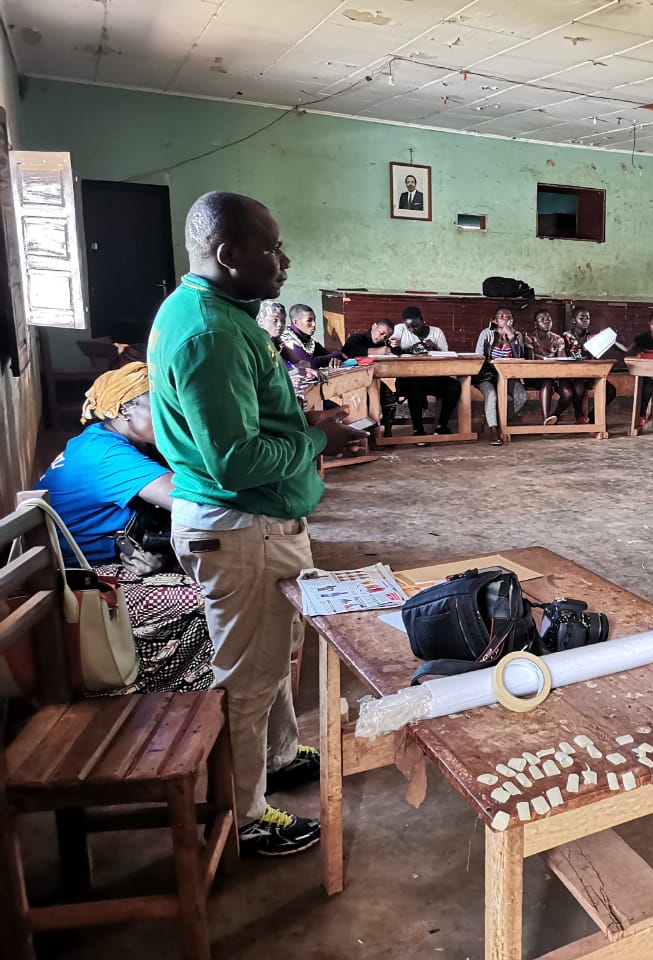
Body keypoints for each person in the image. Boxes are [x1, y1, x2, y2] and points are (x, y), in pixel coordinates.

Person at [148, 191, 364, 857]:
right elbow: (236, 459)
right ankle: (246, 814)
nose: (285, 259)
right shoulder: (210, 333)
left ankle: (280, 755)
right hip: (240, 524)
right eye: (272, 248)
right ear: (229, 254)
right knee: (245, 674)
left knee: (272, 655)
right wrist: (315, 436)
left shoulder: (215, 312)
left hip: (254, 522)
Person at [36, 364, 213, 694]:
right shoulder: (108, 455)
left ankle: (175, 682)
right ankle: (159, 693)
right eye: (160, 407)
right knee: (215, 597)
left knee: (209, 582)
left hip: (86, 573)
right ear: (124, 409)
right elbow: (195, 503)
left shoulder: (96, 440)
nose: (171, 417)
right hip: (80, 589)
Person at [389, 307, 462, 438]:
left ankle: (442, 426)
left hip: (434, 378)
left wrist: (434, 347)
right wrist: (394, 345)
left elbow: (447, 357)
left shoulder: (436, 332)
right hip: (409, 378)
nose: (412, 329)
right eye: (409, 327)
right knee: (414, 386)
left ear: (423, 321)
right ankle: (418, 429)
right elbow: (392, 349)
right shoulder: (400, 329)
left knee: (454, 387)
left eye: (416, 326)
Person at [475, 307, 529, 445]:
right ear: (494, 320)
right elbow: (478, 357)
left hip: (508, 375)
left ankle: (497, 422)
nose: (504, 318)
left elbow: (520, 357)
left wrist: (511, 337)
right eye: (501, 316)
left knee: (521, 396)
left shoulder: (517, 335)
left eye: (508, 316)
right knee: (492, 394)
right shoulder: (486, 334)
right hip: (487, 375)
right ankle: (494, 431)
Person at [557, 306, 617, 423]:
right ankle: (579, 414)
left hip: (590, 373)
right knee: (579, 388)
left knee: (611, 391)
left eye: (588, 318)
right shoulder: (565, 337)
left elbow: (595, 357)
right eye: (582, 318)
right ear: (574, 320)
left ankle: (592, 417)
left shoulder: (592, 337)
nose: (586, 320)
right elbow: (563, 359)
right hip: (573, 375)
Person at [343, 319, 399, 431]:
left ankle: (387, 431)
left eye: (386, 336)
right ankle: (364, 432)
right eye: (381, 333)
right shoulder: (357, 338)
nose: (382, 337)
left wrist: (394, 346)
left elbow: (398, 355)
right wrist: (378, 351)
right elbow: (352, 350)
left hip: (376, 381)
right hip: (354, 383)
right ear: (374, 326)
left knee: (389, 394)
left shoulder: (384, 343)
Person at [526, 308, 566, 426]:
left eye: (549, 319)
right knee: (547, 382)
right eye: (542, 319)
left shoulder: (558, 339)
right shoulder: (530, 338)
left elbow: (563, 362)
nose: (546, 321)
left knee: (568, 393)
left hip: (556, 376)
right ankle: (546, 420)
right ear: (535, 323)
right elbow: (530, 362)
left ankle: (554, 417)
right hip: (535, 376)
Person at [280, 303, 344, 369]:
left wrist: (335, 359)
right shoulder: (288, 339)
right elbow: (310, 363)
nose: (314, 324)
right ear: (296, 323)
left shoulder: (306, 339)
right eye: (309, 321)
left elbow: (328, 354)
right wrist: (336, 355)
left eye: (314, 320)